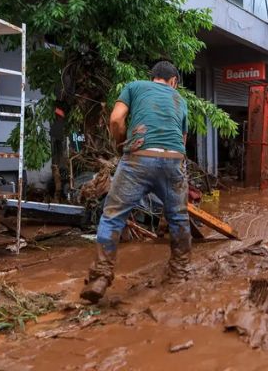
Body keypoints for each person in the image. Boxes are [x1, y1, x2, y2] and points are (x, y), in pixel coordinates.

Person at [80, 61, 192, 303]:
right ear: (174, 81)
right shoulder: (180, 100)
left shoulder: (134, 86)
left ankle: (101, 276)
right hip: (173, 160)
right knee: (179, 217)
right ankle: (179, 274)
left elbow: (116, 120)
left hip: (139, 157)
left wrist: (121, 143)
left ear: (153, 77)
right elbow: (182, 140)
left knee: (112, 216)